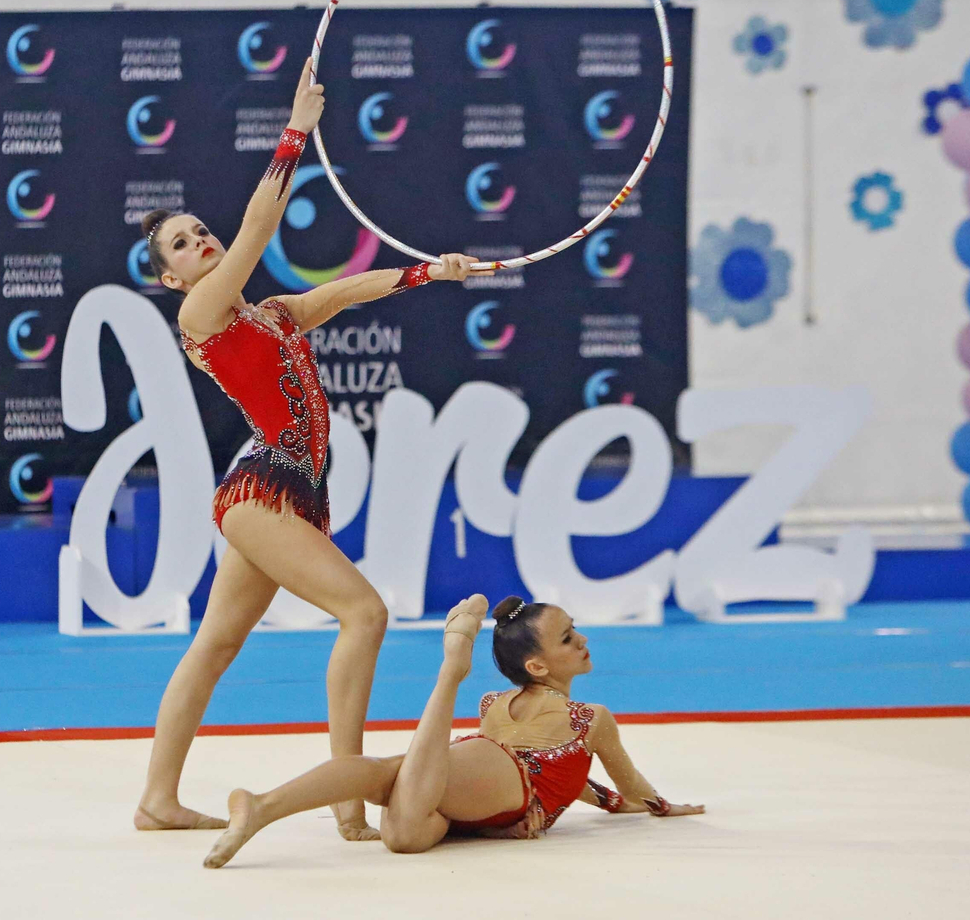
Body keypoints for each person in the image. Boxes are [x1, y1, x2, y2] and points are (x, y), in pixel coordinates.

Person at [135, 58, 495, 840]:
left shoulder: (268, 314)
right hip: (261, 491)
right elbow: (260, 227)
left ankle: (156, 799)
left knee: (216, 643)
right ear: (170, 278)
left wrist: (431, 272)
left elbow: (340, 292)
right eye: (183, 244)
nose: (201, 242)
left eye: (201, 232)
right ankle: (342, 794)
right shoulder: (202, 313)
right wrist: (297, 128)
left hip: (293, 493)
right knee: (364, 614)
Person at [203, 595, 704, 867]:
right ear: (536, 666)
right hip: (502, 779)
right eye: (569, 637)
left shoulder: (496, 704)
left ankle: (262, 803)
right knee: (394, 773)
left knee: (402, 831)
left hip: (472, 793)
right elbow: (628, 783)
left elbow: (577, 780)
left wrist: (610, 802)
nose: (583, 641)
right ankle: (449, 671)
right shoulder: (591, 718)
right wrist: (661, 805)